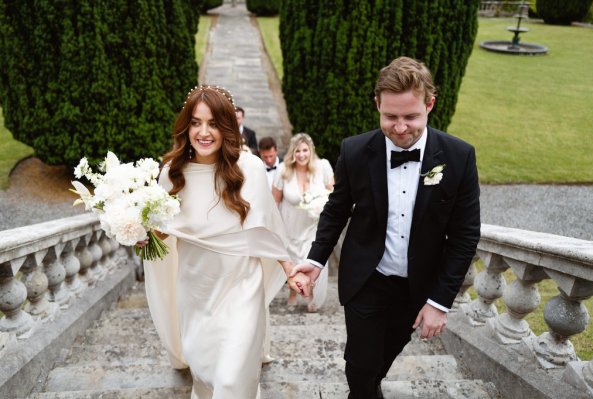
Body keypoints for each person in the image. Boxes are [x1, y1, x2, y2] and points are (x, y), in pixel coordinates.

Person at [291, 57, 481, 398]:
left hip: (417, 289)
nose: (400, 127)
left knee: (377, 366)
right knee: (361, 367)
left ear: (430, 104)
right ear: (377, 104)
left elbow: (465, 235)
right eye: (390, 116)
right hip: (367, 279)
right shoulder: (354, 151)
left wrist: (440, 301)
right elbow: (336, 211)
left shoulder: (459, 157)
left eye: (411, 116)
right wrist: (315, 261)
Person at [140, 85, 310, 399]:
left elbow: (269, 227)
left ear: (228, 127)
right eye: (195, 122)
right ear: (185, 126)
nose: (204, 132)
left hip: (241, 289)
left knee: (231, 381)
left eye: (214, 124)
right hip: (195, 292)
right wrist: (141, 233)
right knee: (207, 378)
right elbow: (160, 235)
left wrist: (290, 270)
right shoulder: (171, 175)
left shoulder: (251, 169)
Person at [272, 133, 334, 312]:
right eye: (298, 151)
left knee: (311, 259)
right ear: (292, 152)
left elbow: (332, 194)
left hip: (312, 226)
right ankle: (293, 292)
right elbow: (275, 200)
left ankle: (310, 295)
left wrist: (323, 208)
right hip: (290, 226)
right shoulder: (283, 170)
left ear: (311, 151)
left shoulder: (322, 167)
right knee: (293, 262)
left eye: (305, 150)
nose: (301, 154)